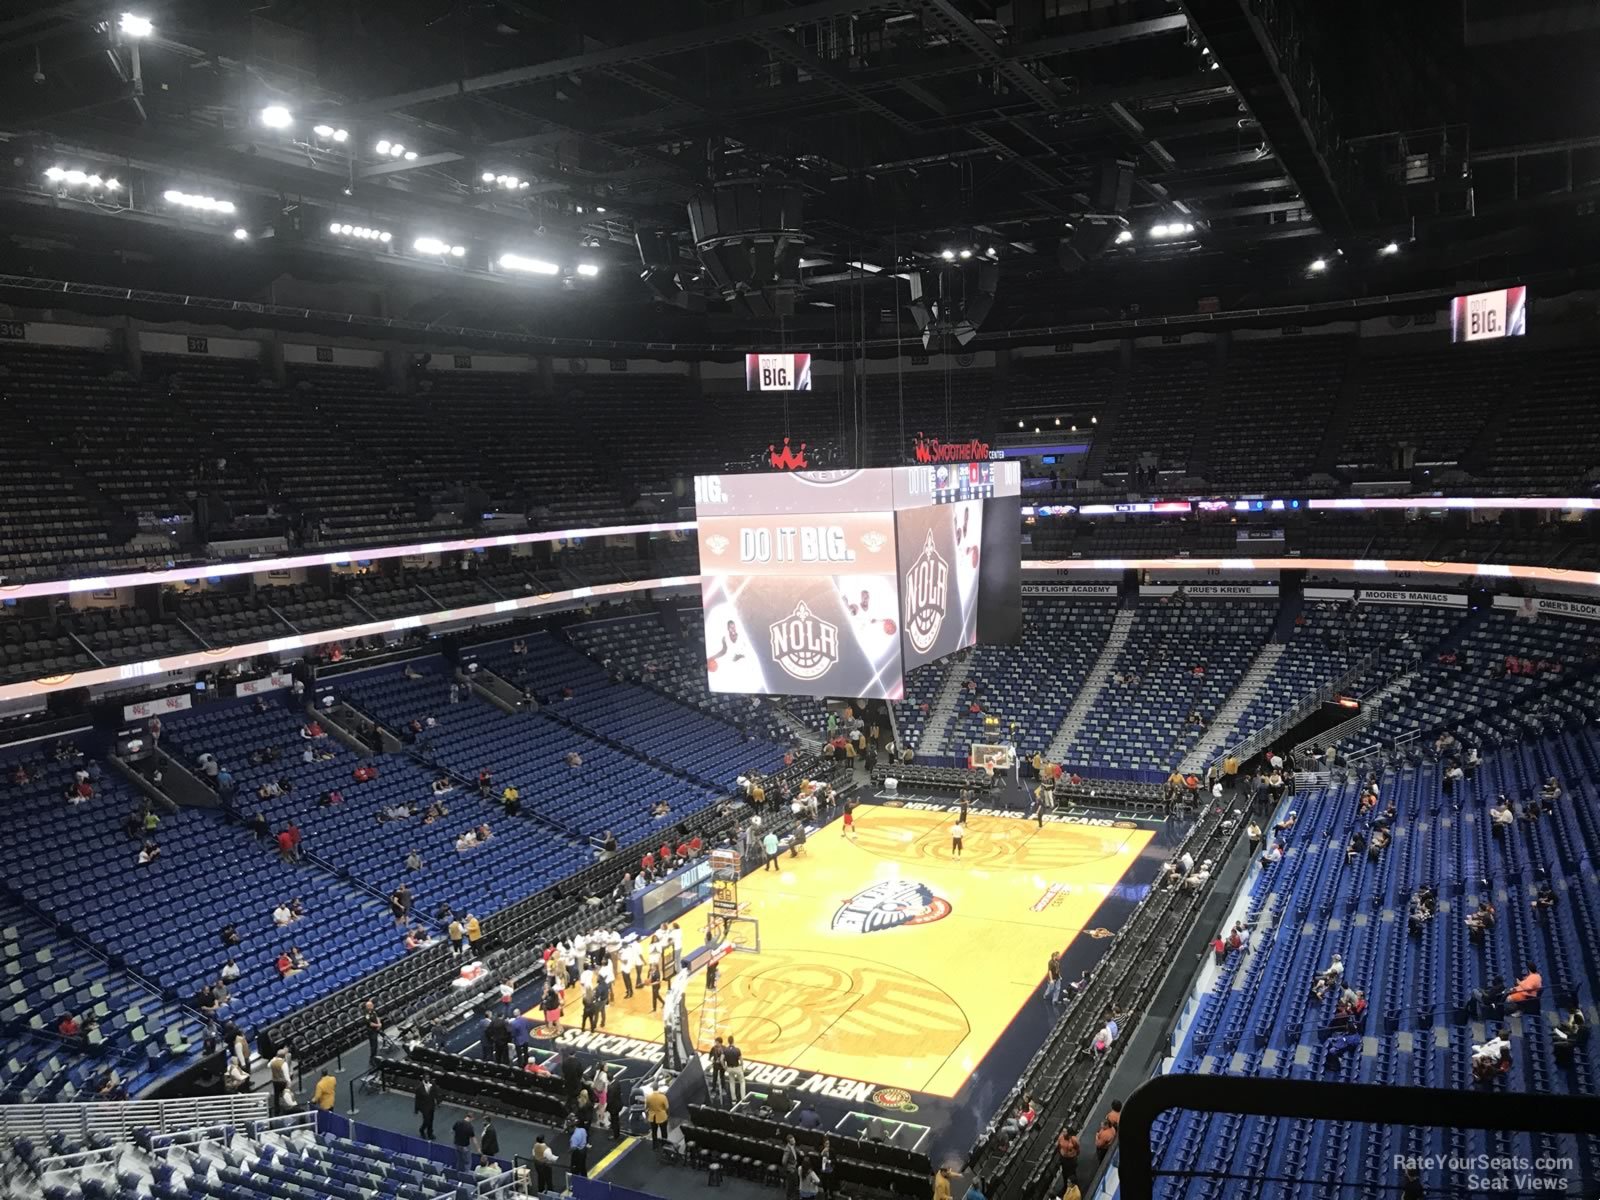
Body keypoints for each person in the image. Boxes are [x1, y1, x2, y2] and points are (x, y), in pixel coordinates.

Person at [645, 1081, 670, 1146]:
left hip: (652, 1117)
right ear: (658, 1088)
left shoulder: (648, 1097)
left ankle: (654, 1144)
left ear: (652, 1088)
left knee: (654, 1131)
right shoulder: (663, 1097)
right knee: (664, 1132)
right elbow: (667, 1107)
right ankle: (664, 1145)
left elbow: (646, 1107)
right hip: (662, 1116)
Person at [415, 1075, 439, 1139]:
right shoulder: (419, 1088)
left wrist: (438, 1101)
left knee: (431, 1120)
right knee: (426, 1120)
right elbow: (417, 1099)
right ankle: (422, 1129)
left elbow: (435, 1093)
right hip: (424, 1107)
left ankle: (430, 1133)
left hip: (431, 1106)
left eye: (428, 1077)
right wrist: (416, 1109)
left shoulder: (432, 1084)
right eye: (426, 1077)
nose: (428, 1079)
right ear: (423, 1078)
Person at [1056, 1126, 1080, 1190]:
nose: (1063, 1133)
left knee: (1072, 1173)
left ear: (1068, 1132)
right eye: (1063, 1131)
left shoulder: (1073, 1139)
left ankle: (1074, 1187)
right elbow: (1059, 1146)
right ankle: (1065, 1186)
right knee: (1064, 1173)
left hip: (1071, 1159)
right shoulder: (1061, 1137)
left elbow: (1077, 1147)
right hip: (1064, 1159)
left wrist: (1074, 1155)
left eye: (1064, 1131)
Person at [725, 1035, 746, 1101]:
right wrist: (741, 1066)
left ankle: (733, 1099)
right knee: (742, 1082)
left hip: (729, 1068)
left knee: (731, 1083)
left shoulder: (725, 1050)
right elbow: (741, 1061)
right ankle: (743, 1098)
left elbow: (721, 1059)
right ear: (733, 1041)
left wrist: (724, 1067)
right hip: (737, 1068)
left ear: (728, 1042)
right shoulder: (737, 1050)